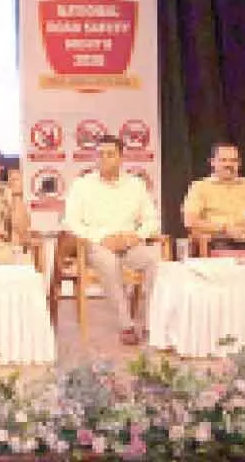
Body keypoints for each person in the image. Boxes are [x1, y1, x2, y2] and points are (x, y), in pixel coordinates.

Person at [63, 135, 161, 346]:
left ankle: (151, 323)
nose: (104, 159)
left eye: (110, 154)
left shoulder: (136, 184)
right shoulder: (82, 185)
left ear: (121, 157)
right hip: (96, 244)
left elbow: (151, 219)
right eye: (100, 154)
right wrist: (102, 238)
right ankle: (126, 325)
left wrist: (136, 236)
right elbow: (71, 222)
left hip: (129, 243)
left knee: (154, 260)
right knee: (109, 262)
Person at [181, 142, 245, 255]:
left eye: (234, 160)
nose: (228, 164)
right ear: (212, 162)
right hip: (217, 240)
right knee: (224, 247)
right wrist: (225, 228)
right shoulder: (199, 187)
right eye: (223, 160)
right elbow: (190, 221)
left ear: (239, 163)